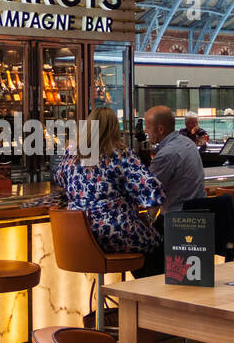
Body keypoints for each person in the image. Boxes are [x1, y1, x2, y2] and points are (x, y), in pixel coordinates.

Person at [54, 106, 163, 257]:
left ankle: (121, 281)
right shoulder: (121, 156)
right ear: (114, 129)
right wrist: (149, 219)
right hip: (115, 233)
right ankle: (140, 281)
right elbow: (153, 190)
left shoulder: (71, 154)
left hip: (77, 235)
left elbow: (59, 178)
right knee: (159, 247)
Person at [145, 105, 205, 214]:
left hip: (177, 220)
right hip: (200, 217)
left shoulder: (166, 154)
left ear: (160, 129)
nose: (145, 130)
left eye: (147, 127)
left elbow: (148, 190)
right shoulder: (188, 142)